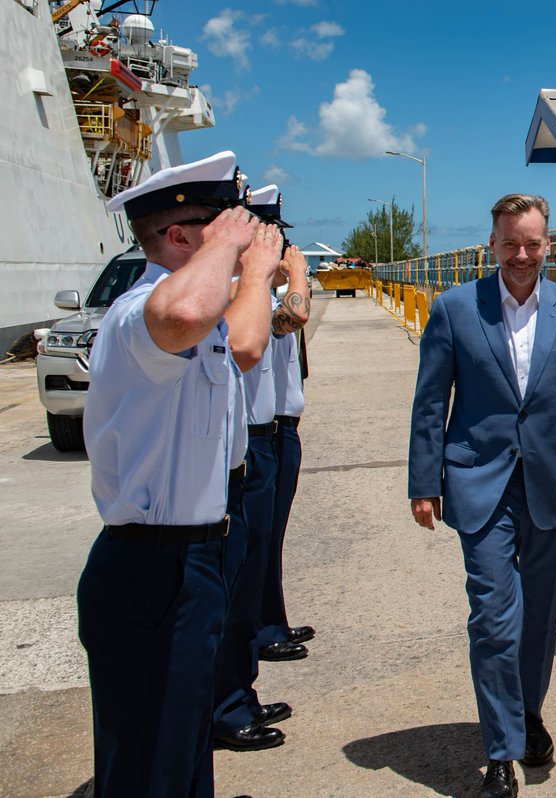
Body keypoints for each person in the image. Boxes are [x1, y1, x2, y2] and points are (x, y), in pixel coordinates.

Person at [408, 194, 556, 798]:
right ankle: (500, 750)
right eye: (510, 244)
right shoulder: (455, 308)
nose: (522, 255)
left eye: (532, 243)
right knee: (493, 618)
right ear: (492, 244)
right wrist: (423, 482)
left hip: (555, 483)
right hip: (480, 483)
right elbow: (431, 402)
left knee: (541, 616)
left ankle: (526, 711)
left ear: (547, 244)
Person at [76, 151, 269, 797]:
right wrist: (232, 251)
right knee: (149, 765)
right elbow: (184, 315)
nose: (241, 230)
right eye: (224, 221)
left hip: (192, 562)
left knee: (183, 751)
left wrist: (254, 272)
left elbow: (243, 344)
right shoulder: (141, 312)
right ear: (182, 236)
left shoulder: (197, 313)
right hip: (150, 569)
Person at [211, 184, 295, 753]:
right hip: (242, 453)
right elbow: (273, 329)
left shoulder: (245, 293)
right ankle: (228, 702)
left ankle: (238, 692)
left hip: (257, 444)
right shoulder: (232, 297)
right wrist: (279, 276)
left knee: (251, 569)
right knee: (232, 586)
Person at [259, 239, 315, 659]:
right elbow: (294, 316)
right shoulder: (250, 297)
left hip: (282, 427)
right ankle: (262, 629)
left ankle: (271, 619)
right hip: (266, 431)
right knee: (260, 539)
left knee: (271, 536)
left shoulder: (264, 295)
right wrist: (297, 274)